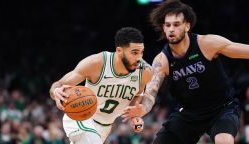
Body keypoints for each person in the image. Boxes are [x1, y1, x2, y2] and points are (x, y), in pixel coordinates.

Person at [121, 0, 249, 144]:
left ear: (187, 26)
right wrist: (143, 108)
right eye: (167, 25)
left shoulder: (207, 44)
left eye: (176, 24)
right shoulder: (162, 60)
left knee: (224, 141)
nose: (171, 29)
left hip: (221, 109)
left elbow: (245, 51)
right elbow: (151, 90)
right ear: (163, 28)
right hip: (189, 113)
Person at [49, 27, 153, 144]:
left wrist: (134, 114)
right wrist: (56, 91)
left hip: (104, 127)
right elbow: (59, 84)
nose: (139, 57)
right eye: (134, 53)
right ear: (119, 51)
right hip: (80, 116)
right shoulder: (96, 63)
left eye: (141, 52)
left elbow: (137, 95)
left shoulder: (145, 72)